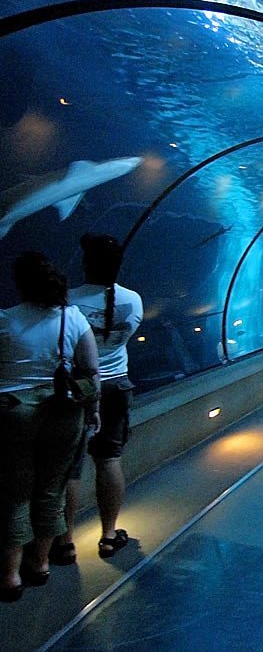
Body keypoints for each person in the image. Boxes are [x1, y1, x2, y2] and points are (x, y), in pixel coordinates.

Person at [0, 252, 100, 601]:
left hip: (14, 412)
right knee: (50, 489)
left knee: (14, 495)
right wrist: (94, 411)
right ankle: (40, 563)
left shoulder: (5, 319)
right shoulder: (72, 317)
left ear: (20, 283)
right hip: (63, 410)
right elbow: (90, 369)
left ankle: (9, 576)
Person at [53, 234, 142, 564]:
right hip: (116, 385)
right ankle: (108, 535)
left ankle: (64, 541)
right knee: (109, 458)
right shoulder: (134, 299)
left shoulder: (69, 301)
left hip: (78, 390)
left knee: (70, 469)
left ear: (86, 264)